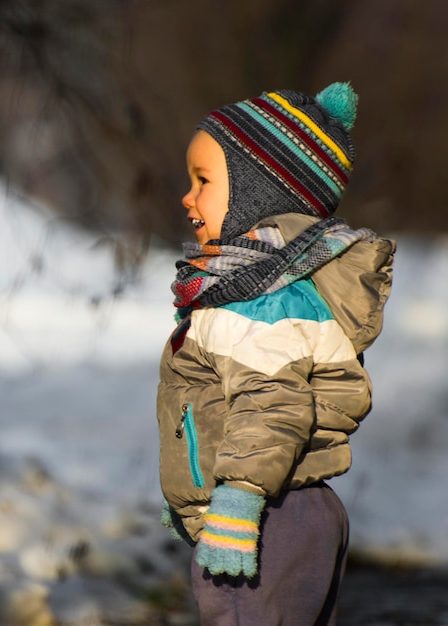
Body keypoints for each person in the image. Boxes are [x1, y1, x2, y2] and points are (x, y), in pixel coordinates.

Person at [157, 82, 395, 625]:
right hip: (295, 507)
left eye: (204, 181)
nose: (187, 197)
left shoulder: (257, 302)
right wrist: (190, 494)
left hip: (267, 516)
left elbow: (271, 403)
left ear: (256, 194)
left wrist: (237, 501)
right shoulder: (278, 288)